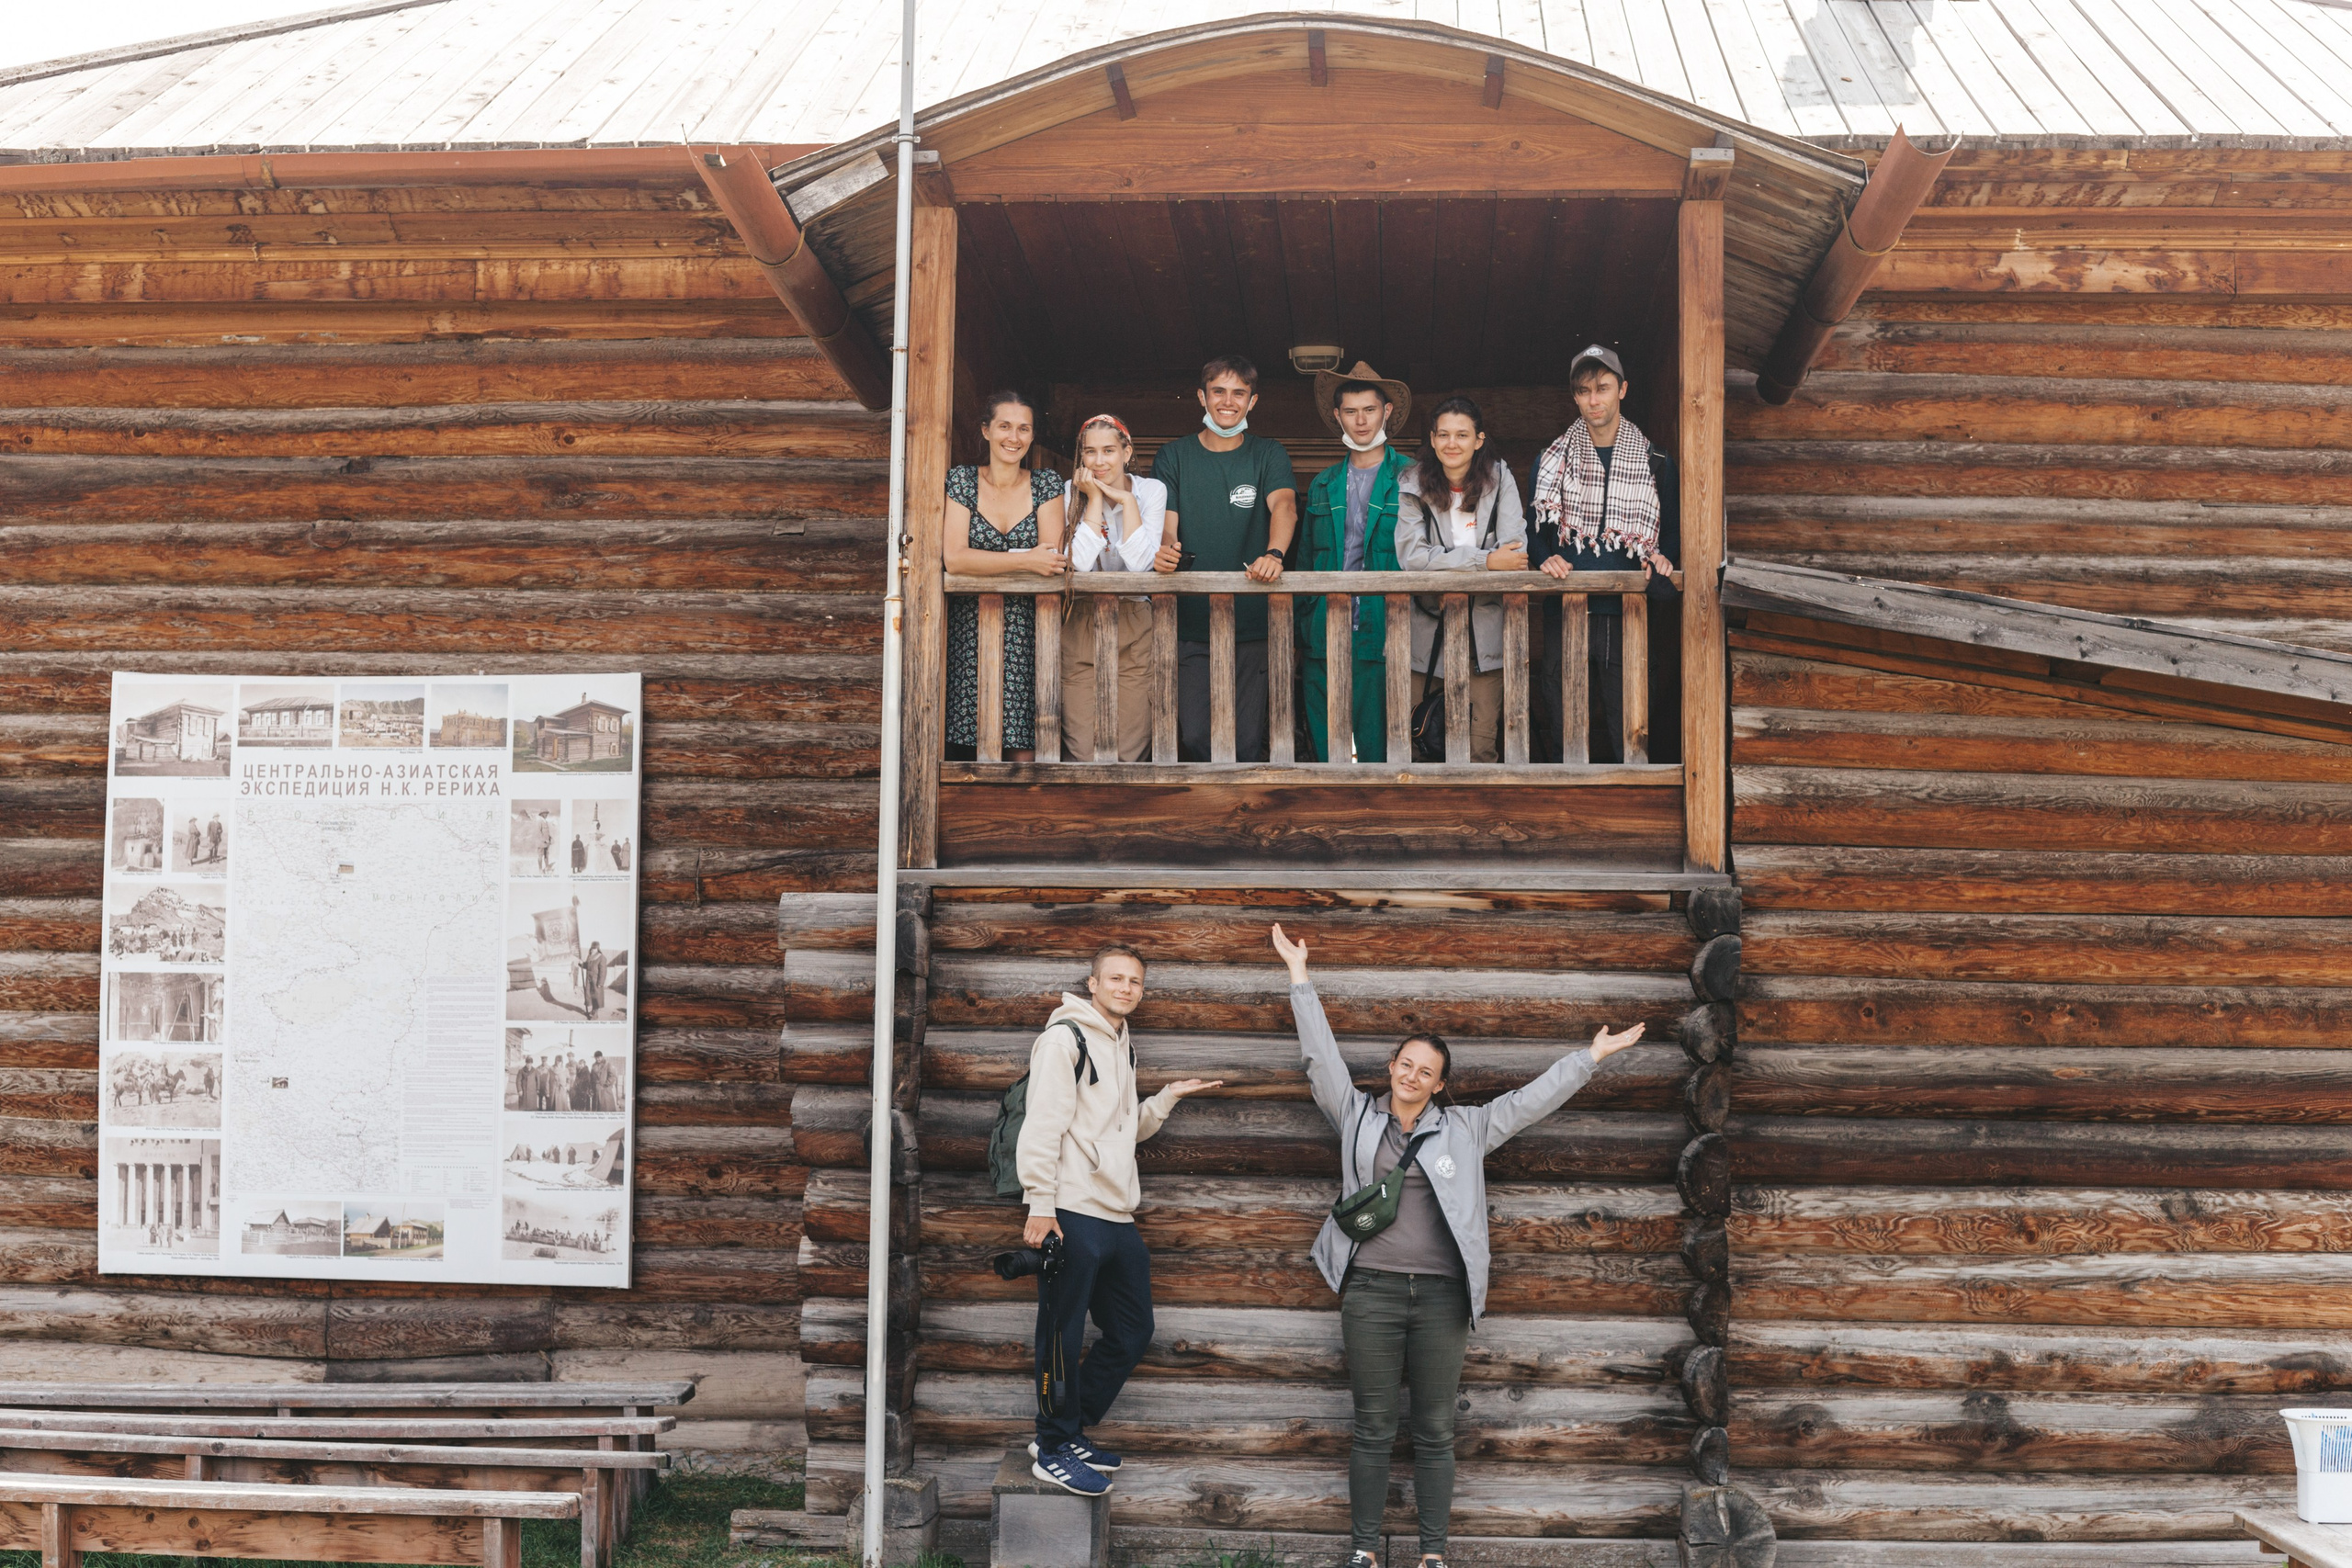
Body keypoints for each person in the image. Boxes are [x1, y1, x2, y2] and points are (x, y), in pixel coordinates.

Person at [1270, 922, 1645, 1568]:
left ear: (1440, 1084)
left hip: (1443, 1299)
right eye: (1406, 1064)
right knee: (1373, 1426)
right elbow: (1320, 1058)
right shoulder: (1355, 1114)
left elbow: (1529, 1102)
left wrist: (1589, 1057)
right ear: (1391, 1068)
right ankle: (1363, 1551)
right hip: (1372, 1292)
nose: (1413, 1076)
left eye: (1428, 1071)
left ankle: (1433, 1555)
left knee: (1435, 1430)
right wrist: (1299, 977)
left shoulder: (1467, 1129)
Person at [1015, 944, 1221, 1495]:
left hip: (1115, 1212)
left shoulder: (1121, 1044)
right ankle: (1053, 1448)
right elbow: (1042, 1124)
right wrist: (1040, 1203)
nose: (1126, 988)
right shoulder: (1065, 1039)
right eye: (1116, 978)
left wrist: (1166, 1098)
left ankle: (1065, 1431)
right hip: (1071, 1209)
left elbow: (1126, 1132)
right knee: (1060, 1335)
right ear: (1093, 983)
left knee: (1132, 1331)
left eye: (1135, 981)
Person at [1530, 344, 1680, 764]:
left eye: (1602, 388)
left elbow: (1670, 536)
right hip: (1567, 612)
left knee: (1631, 734)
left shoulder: (1656, 462)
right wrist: (1543, 558)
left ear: (1622, 390)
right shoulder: (1551, 460)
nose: (1593, 399)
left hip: (1627, 616)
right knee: (1566, 736)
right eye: (1583, 391)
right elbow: (1534, 534)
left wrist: (1662, 560)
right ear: (1575, 397)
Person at [1149, 355, 1297, 761]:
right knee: (1196, 734)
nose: (1228, 402)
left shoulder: (1268, 453)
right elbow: (1166, 523)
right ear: (1202, 396)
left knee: (1246, 740)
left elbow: (1285, 505)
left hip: (1253, 621)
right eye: (1218, 391)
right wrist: (1166, 551)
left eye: (1238, 393)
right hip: (1190, 622)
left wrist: (1275, 553)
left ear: (1252, 401)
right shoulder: (1174, 455)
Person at [1396, 397, 1528, 764]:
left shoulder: (1499, 479)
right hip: (1425, 639)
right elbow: (1412, 558)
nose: (1452, 443)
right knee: (1419, 745)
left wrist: (1449, 570)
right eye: (1443, 435)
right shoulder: (1412, 483)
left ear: (1479, 439)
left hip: (1485, 638)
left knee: (1479, 749)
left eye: (1462, 434)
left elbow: (1514, 553)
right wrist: (1485, 561)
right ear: (1433, 440)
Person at [1295, 363, 1414, 763]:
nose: (1360, 421)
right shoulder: (1323, 483)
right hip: (1323, 627)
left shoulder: (1411, 476)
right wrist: (1301, 628)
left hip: (1383, 626)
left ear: (1387, 412)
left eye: (1369, 410)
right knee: (1327, 745)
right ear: (1337, 416)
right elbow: (1305, 560)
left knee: (1379, 747)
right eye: (1350, 411)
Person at [946, 390, 1069, 760]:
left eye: (1023, 429)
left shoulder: (1046, 484)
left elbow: (1050, 560)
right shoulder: (962, 481)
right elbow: (955, 558)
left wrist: (996, 561)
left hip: (1030, 630)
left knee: (1025, 751)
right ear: (986, 431)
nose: (1014, 437)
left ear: (1032, 436)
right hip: (968, 631)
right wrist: (1024, 560)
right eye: (1004, 426)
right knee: (967, 748)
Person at [1060, 413, 1165, 761]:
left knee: (1131, 744)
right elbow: (1078, 562)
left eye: (1108, 450)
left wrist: (1127, 502)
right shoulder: (1071, 491)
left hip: (1135, 616)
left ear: (1126, 452)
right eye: (1090, 452)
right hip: (1081, 616)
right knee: (1081, 746)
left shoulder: (1151, 491)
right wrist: (1093, 499)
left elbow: (1141, 566)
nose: (1099, 461)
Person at [583, 942, 608, 1021]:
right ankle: (592, 1011)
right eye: (592, 948)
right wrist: (581, 964)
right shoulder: (590, 957)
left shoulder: (601, 957)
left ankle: (595, 1014)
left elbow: (603, 972)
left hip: (596, 981)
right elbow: (587, 966)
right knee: (590, 996)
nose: (592, 950)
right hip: (589, 980)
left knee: (596, 997)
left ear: (598, 949)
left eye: (594, 948)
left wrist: (600, 983)